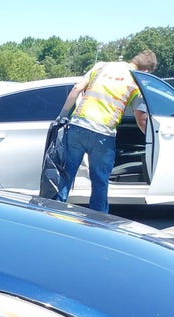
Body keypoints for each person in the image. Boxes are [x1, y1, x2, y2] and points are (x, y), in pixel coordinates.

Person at [54, 49, 158, 212]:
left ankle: (54, 214)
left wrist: (62, 116)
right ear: (146, 71)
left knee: (66, 175)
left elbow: (76, 89)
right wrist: (155, 139)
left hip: (78, 126)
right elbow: (141, 119)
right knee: (100, 182)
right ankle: (98, 224)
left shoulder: (102, 66)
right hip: (103, 133)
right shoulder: (136, 82)